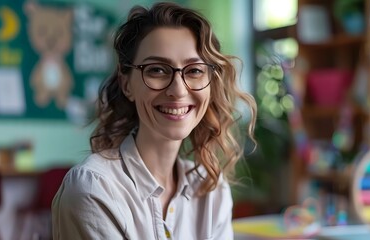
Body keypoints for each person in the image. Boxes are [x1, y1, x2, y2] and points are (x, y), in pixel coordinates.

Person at [52, 2, 257, 240]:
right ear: (127, 84)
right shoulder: (95, 188)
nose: (178, 91)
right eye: (157, 70)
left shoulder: (211, 189)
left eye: (194, 70)